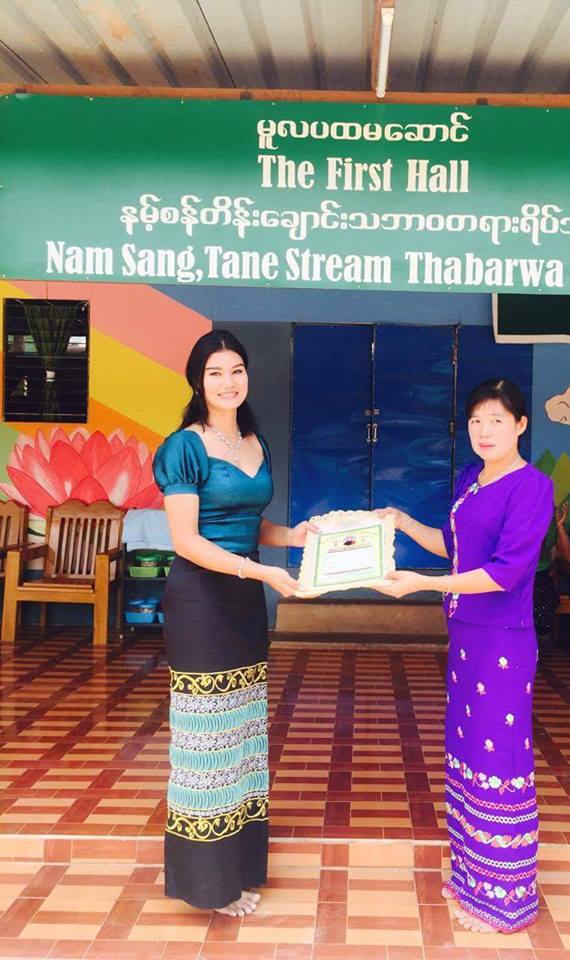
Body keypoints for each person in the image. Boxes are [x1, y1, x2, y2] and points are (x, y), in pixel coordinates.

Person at [375, 378, 553, 934]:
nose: (485, 430)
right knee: (470, 749)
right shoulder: (470, 480)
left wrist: (423, 585)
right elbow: (453, 547)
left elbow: (505, 572)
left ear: (520, 425)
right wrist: (403, 522)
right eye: (477, 420)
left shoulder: (532, 487)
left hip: (504, 639)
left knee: (501, 756)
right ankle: (474, 880)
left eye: (497, 420)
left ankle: (506, 899)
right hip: (466, 636)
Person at [153, 330, 312, 917]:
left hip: (245, 598)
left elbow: (250, 522)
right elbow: (187, 540)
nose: (228, 381)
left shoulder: (254, 440)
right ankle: (206, 885)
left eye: (237, 369)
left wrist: (293, 537)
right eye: (215, 372)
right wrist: (260, 571)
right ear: (198, 381)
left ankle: (238, 867)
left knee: (242, 733)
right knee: (206, 737)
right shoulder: (184, 447)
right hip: (201, 601)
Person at [533, 500, 570, 637]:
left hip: (540, 579)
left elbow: (569, 557)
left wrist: (559, 526)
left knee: (540, 592)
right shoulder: (516, 527)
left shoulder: (550, 532)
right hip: (516, 579)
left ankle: (534, 639)